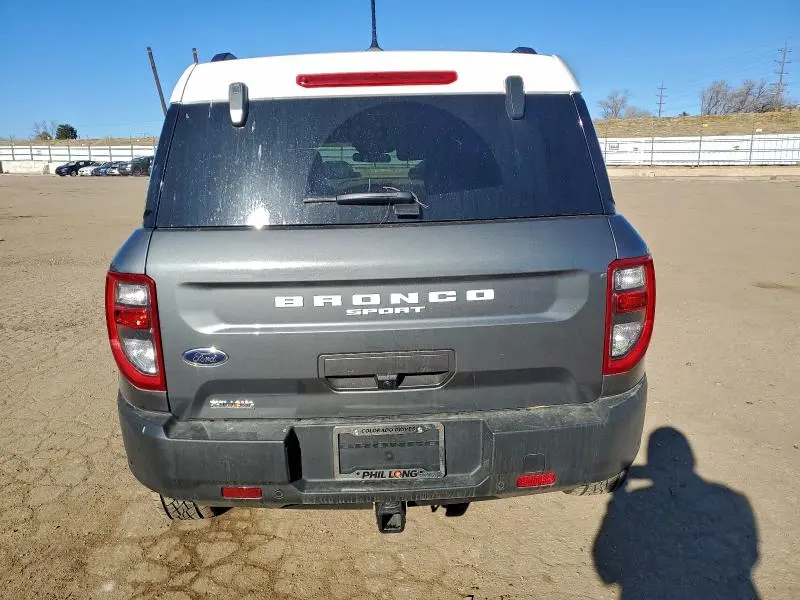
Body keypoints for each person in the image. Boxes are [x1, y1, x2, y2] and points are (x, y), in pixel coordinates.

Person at [593, 427, 760, 600]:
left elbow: (606, 570)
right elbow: (750, 558)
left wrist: (618, 502)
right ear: (690, 460)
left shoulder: (636, 503)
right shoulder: (733, 501)